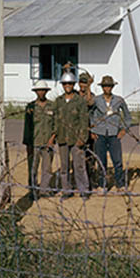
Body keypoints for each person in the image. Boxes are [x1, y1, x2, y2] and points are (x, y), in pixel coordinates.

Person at [50, 71, 90, 200]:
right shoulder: (59, 101)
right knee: (64, 167)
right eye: (65, 83)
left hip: (76, 139)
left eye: (70, 83)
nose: (67, 85)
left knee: (79, 166)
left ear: (73, 85)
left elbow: (84, 121)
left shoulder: (79, 101)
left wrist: (82, 138)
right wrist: (54, 136)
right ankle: (66, 190)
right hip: (62, 138)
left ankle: (83, 190)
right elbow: (55, 120)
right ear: (62, 85)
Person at [90, 75, 131, 191]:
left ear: (112, 87)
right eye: (105, 86)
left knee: (117, 160)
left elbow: (127, 116)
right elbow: (91, 114)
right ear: (102, 87)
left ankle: (120, 184)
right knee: (101, 161)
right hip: (100, 134)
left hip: (114, 134)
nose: (107, 88)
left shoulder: (119, 100)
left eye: (109, 86)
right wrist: (93, 129)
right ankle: (102, 184)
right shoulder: (97, 100)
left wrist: (124, 129)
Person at [22, 80, 55, 201]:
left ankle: (44, 190)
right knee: (33, 168)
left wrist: (52, 139)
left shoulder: (52, 106)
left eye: (43, 90)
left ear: (46, 91)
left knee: (47, 168)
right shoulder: (31, 107)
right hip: (34, 143)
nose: (41, 93)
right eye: (38, 90)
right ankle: (33, 190)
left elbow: (55, 124)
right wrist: (28, 144)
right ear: (36, 92)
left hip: (47, 143)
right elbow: (27, 127)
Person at [77, 72, 98, 189]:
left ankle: (90, 181)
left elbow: (90, 102)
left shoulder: (90, 95)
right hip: (76, 131)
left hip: (88, 130)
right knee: (78, 158)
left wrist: (89, 87)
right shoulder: (75, 95)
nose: (83, 85)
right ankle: (79, 182)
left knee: (89, 157)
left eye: (85, 83)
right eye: (82, 82)